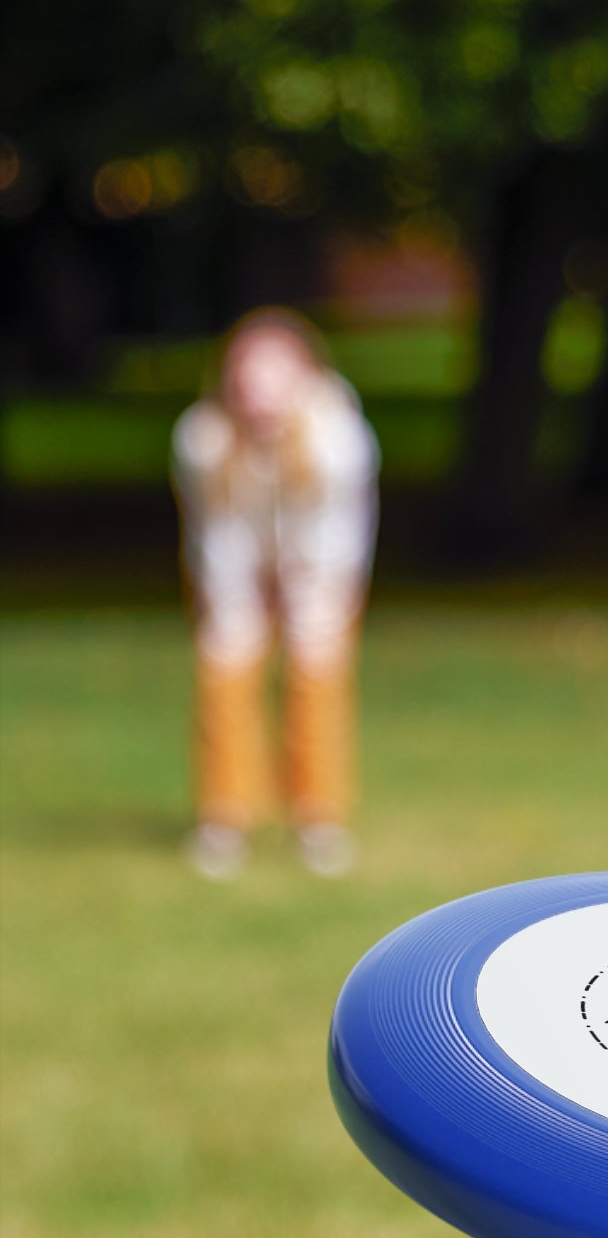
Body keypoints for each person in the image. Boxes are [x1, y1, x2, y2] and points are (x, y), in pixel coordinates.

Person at [172, 308, 379, 879]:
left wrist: (305, 591)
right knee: (224, 669)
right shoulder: (203, 439)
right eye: (248, 377)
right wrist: (237, 599)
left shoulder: (338, 439)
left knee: (317, 675)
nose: (259, 393)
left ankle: (319, 818)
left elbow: (337, 532)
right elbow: (215, 532)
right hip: (235, 567)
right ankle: (224, 817)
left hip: (319, 568)